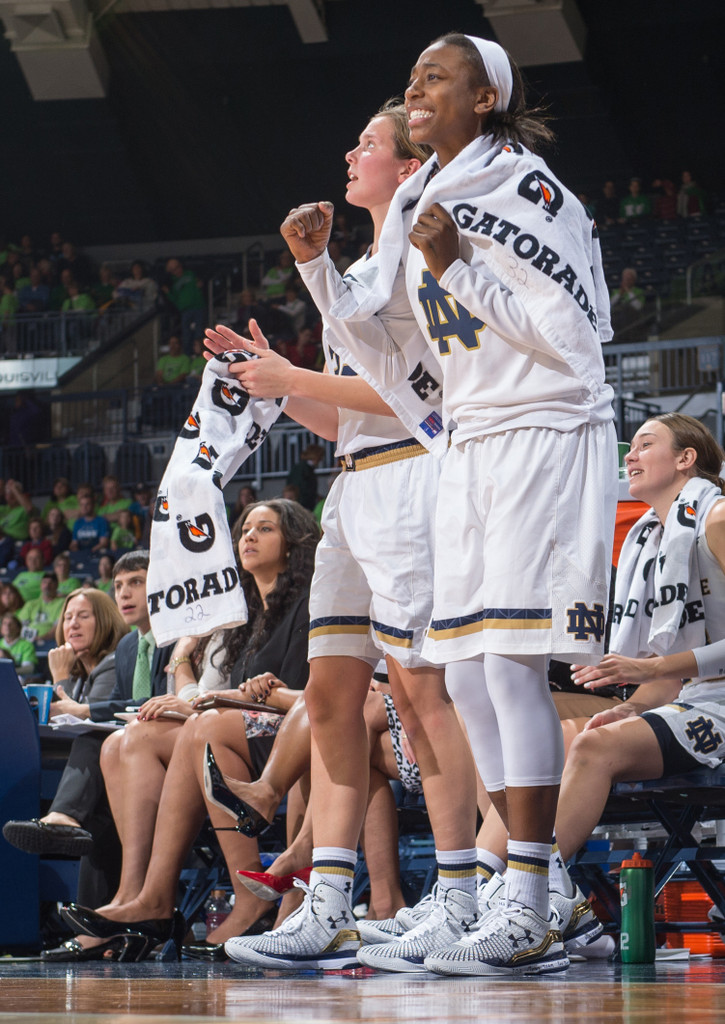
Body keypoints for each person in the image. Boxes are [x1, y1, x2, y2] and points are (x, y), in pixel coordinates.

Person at [326, 34, 617, 976]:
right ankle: (540, 897)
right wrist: (314, 272)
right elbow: (388, 352)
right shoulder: (419, 197)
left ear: (484, 96)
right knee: (458, 677)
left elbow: (572, 344)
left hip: (542, 428)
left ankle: (528, 898)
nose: (415, 89)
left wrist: (458, 271)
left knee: (507, 670)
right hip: (467, 443)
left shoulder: (528, 191)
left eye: (436, 77)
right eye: (410, 77)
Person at [205, 100, 479, 973]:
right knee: (328, 694)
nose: (349, 152)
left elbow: (423, 396)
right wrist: (273, 385)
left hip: (415, 479)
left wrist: (295, 372)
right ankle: (326, 898)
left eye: (367, 142)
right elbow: (341, 421)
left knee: (419, 693)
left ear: (407, 167)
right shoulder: (360, 265)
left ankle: (461, 895)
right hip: (354, 491)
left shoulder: (423, 251)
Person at [58, 501, 319, 957]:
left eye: (265, 529)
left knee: (202, 726)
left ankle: (238, 896)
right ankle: (136, 893)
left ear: (293, 544)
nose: (249, 537)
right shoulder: (244, 614)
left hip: (292, 731)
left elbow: (296, 695)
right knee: (127, 740)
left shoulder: (307, 602)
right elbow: (231, 692)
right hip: (238, 725)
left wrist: (208, 695)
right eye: (245, 530)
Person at [547, 415, 725, 920]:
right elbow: (667, 683)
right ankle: (502, 882)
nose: (630, 455)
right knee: (568, 733)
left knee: (593, 745)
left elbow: (662, 669)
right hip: (697, 699)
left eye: (646, 445)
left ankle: (531, 892)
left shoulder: (716, 520)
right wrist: (631, 709)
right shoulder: (647, 539)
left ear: (686, 458)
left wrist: (650, 671)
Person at [2, 553, 171, 947]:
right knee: (97, 815)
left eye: (136, 583)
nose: (125, 593)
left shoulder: (160, 643)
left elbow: (141, 706)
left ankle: (64, 819)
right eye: (119, 586)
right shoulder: (131, 646)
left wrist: (64, 684)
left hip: (163, 758)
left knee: (92, 742)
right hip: (125, 763)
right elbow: (114, 707)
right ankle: (97, 928)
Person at [0, 612, 38, 677]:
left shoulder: (27, 645)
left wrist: (10, 672)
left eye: (11, 624)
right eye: (4, 623)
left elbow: (29, 669)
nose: (7, 626)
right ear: (1, 629)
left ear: (18, 628)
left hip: (19, 679)